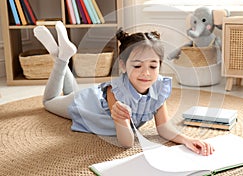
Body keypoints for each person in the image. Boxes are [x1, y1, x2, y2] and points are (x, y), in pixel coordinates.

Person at [33, 21, 214, 156]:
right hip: (84, 104)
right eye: (137, 66)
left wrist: (187, 140)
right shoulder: (116, 92)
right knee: (48, 101)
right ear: (123, 65)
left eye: (153, 66)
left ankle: (61, 55)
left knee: (69, 91)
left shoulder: (159, 87)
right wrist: (120, 117)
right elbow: (126, 142)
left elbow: (164, 127)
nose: (146, 73)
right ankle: (62, 58)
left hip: (84, 95)